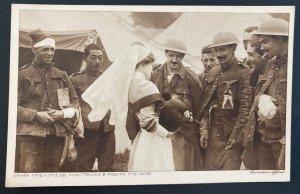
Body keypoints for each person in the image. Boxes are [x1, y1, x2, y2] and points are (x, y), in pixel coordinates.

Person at [82, 43, 174, 171]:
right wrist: (167, 134)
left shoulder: (127, 84)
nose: (152, 70)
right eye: (151, 66)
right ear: (143, 64)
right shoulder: (146, 86)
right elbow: (148, 122)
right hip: (153, 138)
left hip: (141, 138)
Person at [17, 29, 80, 172]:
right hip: (31, 134)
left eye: (52, 50)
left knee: (51, 173)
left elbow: (74, 101)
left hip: (56, 132)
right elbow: (11, 108)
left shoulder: (62, 75)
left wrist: (63, 114)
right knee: (30, 173)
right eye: (45, 50)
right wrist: (36, 115)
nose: (50, 53)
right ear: (34, 50)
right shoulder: (21, 74)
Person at [196, 31, 251, 170]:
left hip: (232, 136)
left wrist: (235, 137)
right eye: (216, 50)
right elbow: (205, 106)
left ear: (233, 48)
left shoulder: (242, 72)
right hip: (213, 136)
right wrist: (204, 131)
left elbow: (245, 110)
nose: (219, 54)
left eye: (222, 50)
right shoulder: (213, 71)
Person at [241, 18, 289, 170]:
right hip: (264, 138)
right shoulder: (271, 65)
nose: (262, 47)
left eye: (265, 42)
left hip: (282, 141)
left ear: (280, 39)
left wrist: (273, 115)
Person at [151, 38, 203, 171]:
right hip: (159, 131)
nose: (174, 60)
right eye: (171, 55)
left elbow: (198, 108)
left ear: (183, 57)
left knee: (179, 169)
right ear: (165, 54)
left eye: (178, 56)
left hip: (183, 133)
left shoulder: (191, 79)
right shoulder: (155, 74)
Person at [70, 44, 115, 172]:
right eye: (93, 58)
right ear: (85, 58)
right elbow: (71, 105)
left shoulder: (107, 79)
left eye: (100, 58)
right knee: (84, 168)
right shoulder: (75, 80)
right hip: (87, 132)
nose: (97, 62)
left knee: (107, 169)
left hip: (108, 129)